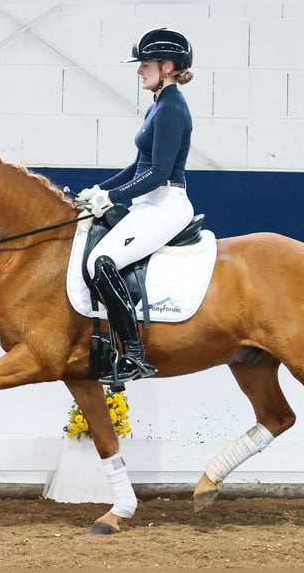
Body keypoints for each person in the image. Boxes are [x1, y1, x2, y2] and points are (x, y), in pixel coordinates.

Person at [76, 28, 196, 384]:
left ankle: (135, 355)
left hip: (166, 203)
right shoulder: (157, 106)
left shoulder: (172, 109)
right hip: (149, 202)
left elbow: (158, 173)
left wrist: (112, 198)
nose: (139, 71)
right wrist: (99, 189)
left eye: (145, 64)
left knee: (102, 262)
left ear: (168, 66)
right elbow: (137, 167)